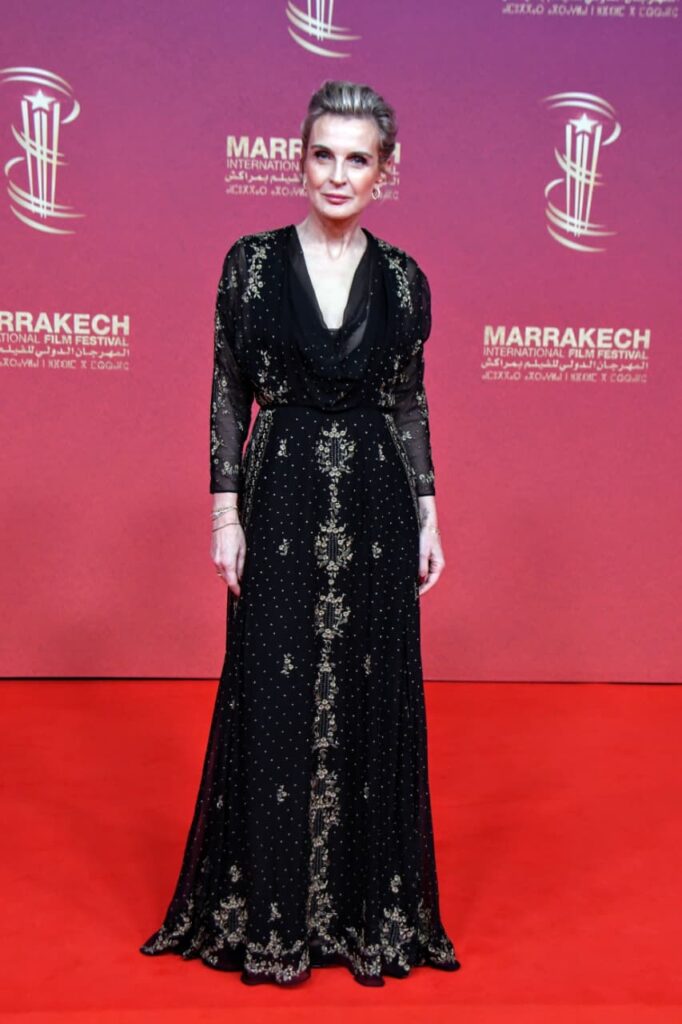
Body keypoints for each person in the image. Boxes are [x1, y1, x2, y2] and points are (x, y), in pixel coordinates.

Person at [139, 79, 460, 987]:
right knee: (273, 699)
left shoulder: (404, 279)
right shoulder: (248, 265)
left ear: (385, 171)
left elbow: (408, 403)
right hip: (278, 500)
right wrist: (224, 514)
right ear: (300, 159)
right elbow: (226, 393)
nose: (338, 173)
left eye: (359, 158)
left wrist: (430, 513)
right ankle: (271, 911)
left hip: (377, 512)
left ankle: (363, 916)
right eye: (324, 154)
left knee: (370, 700)